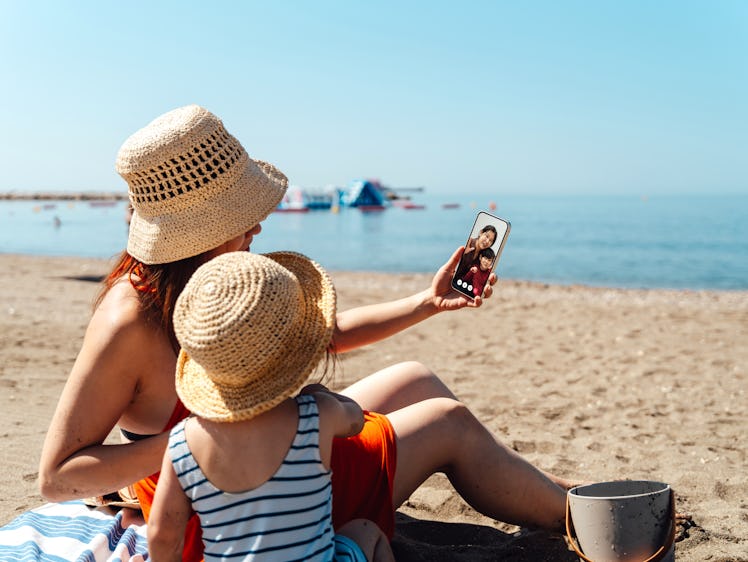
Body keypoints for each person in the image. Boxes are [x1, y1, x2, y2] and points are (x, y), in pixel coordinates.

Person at [38, 104, 574, 561]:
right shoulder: (129, 320)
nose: (257, 226)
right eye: (241, 214)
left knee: (416, 378)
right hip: (235, 514)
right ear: (194, 231)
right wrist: (197, 446)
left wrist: (428, 303)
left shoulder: (222, 277)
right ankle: (577, 515)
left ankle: (539, 492)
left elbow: (324, 333)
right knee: (448, 422)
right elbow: (59, 476)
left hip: (266, 472)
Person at [148, 251, 393, 562]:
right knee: (365, 530)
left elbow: (161, 532)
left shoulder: (183, 442)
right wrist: (320, 394)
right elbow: (356, 420)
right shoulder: (315, 415)